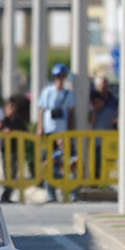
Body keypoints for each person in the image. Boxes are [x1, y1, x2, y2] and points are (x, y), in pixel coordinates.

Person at [37, 63, 76, 202]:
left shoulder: (68, 94)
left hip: (63, 133)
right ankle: (51, 193)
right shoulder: (47, 91)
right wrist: (40, 128)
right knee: (49, 163)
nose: (59, 79)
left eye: (62, 76)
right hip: (49, 132)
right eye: (57, 76)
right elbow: (41, 110)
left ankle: (70, 192)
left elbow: (71, 114)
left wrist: (70, 133)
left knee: (67, 163)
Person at [0, 95, 28, 203]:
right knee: (7, 173)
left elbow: (25, 131)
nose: (12, 109)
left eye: (14, 107)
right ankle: (5, 194)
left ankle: (8, 194)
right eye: (10, 107)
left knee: (13, 173)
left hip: (16, 149)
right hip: (6, 150)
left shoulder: (18, 120)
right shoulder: (3, 120)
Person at [89, 75, 118, 173]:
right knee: (96, 164)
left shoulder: (113, 99)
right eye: (102, 85)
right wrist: (94, 108)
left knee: (109, 163)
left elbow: (117, 117)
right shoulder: (91, 97)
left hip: (110, 138)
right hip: (96, 139)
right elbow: (91, 121)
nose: (105, 87)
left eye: (106, 84)